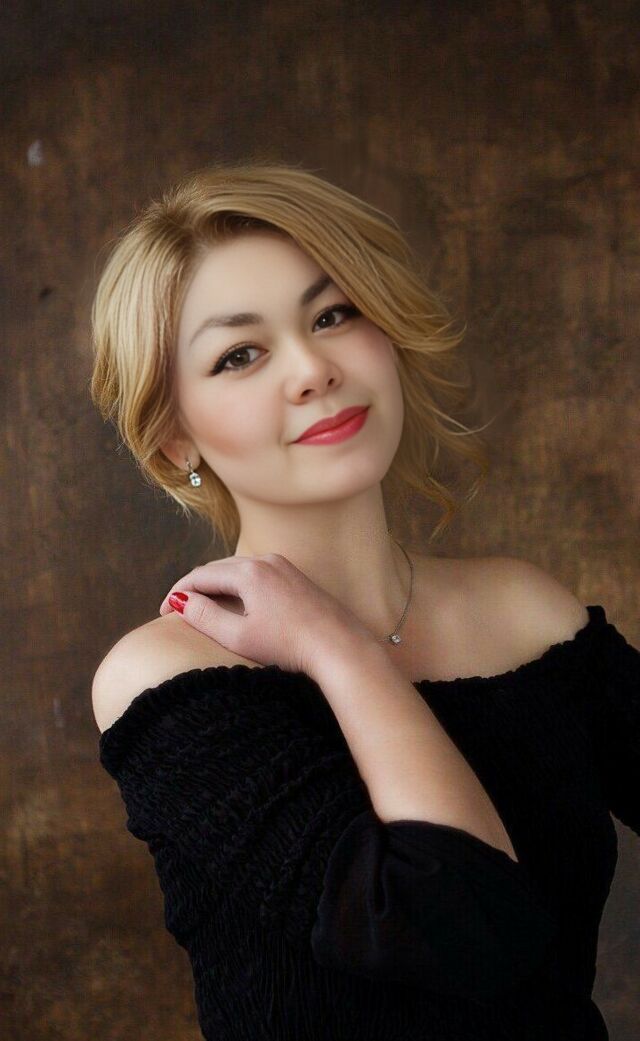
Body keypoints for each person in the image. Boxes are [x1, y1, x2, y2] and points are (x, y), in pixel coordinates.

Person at [90, 160, 638, 1041]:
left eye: (333, 314)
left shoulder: (529, 612)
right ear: (173, 438)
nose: (313, 368)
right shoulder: (168, 677)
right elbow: (465, 929)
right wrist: (334, 645)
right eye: (240, 354)